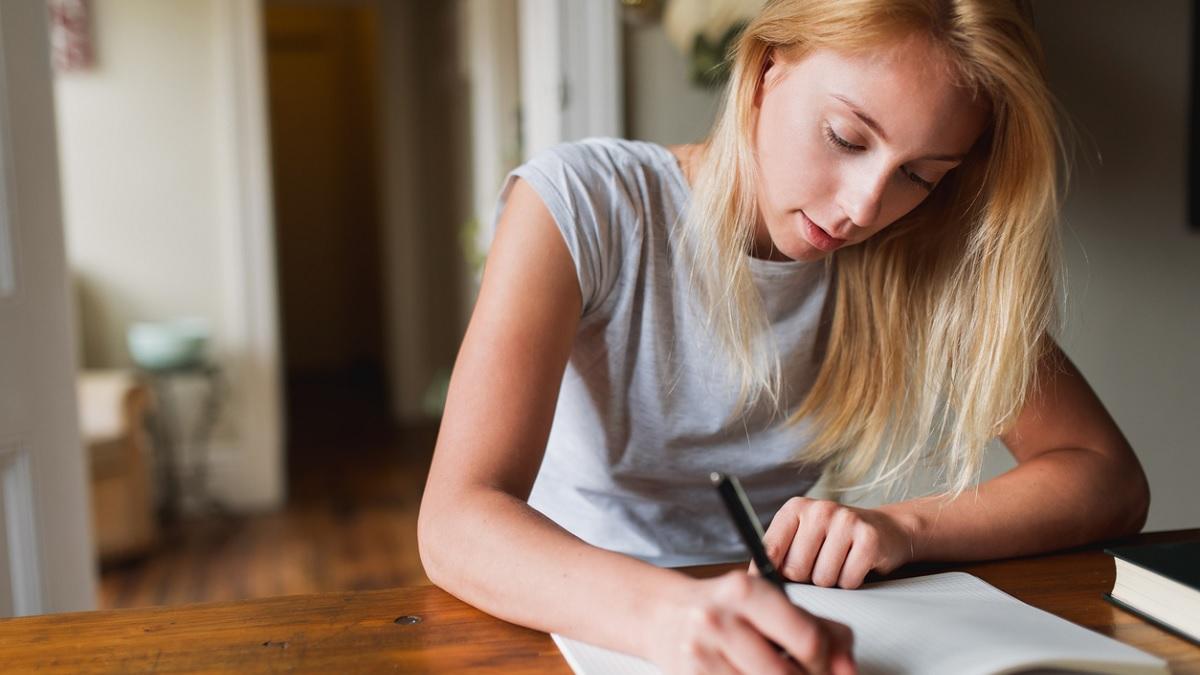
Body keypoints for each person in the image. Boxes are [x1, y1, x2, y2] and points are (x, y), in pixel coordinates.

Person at [418, 1, 1151, 673]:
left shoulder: (909, 258)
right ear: (769, 66)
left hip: (777, 626)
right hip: (566, 618)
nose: (866, 206)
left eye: (921, 176)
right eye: (846, 137)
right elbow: (456, 521)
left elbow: (1105, 475)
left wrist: (904, 527)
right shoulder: (583, 205)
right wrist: (673, 614)